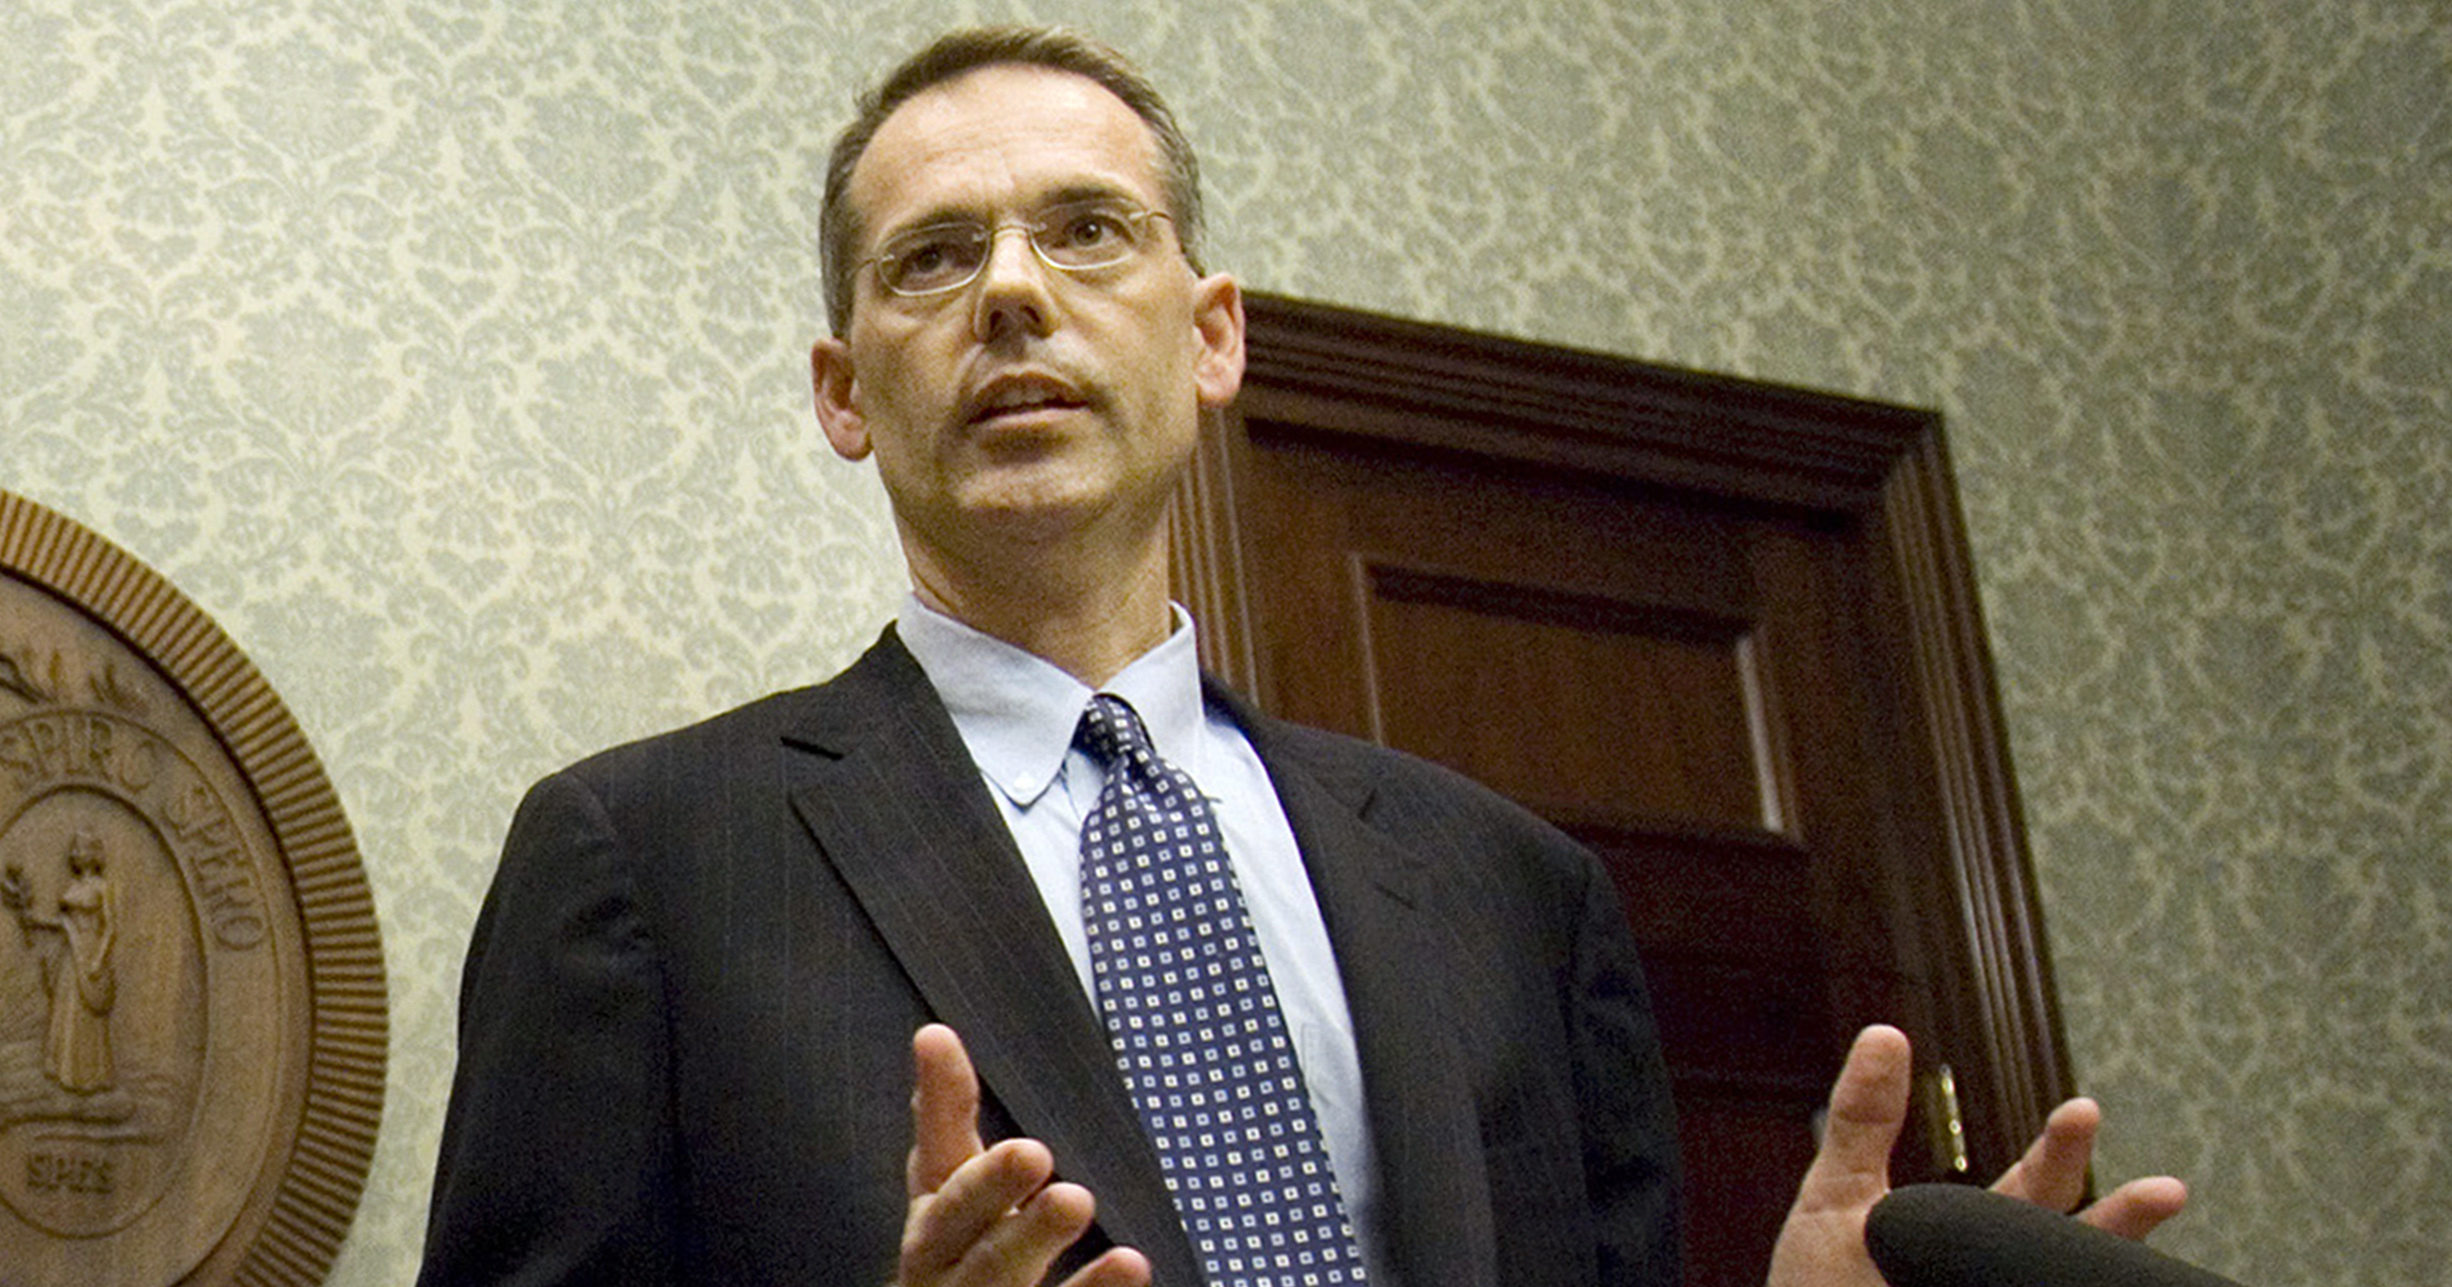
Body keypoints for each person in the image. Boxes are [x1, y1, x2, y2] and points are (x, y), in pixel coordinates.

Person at [417, 24, 2186, 1287]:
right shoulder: (641, 858)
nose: (1013, 294)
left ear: (1212, 339)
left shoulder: (1508, 887)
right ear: (842, 396)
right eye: (935, 257)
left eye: (1087, 229)